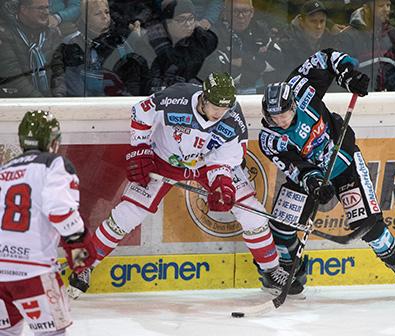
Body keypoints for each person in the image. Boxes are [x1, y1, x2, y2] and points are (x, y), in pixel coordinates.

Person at [66, 72, 302, 299]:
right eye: (216, 108)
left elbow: (225, 157)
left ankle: (270, 271)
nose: (221, 113)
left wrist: (222, 183)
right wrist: (140, 149)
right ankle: (83, 266)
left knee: (254, 215)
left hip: (205, 166)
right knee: (127, 215)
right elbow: (142, 111)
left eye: (225, 108)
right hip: (162, 161)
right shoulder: (176, 97)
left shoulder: (232, 117)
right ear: (203, 98)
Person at [257, 48, 395, 293]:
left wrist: (348, 76)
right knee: (281, 226)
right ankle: (291, 271)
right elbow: (295, 167)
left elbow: (326, 57)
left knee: (368, 224)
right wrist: (313, 182)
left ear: (293, 104)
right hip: (312, 176)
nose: (280, 121)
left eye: (284, 115)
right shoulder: (270, 139)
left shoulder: (301, 89)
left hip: (342, 161)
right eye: (273, 118)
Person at [0, 110, 97, 335]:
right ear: (53, 142)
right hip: (34, 273)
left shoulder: (4, 170)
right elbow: (61, 212)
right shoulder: (55, 164)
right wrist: (80, 258)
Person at [50, 0, 150, 97]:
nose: (105, 17)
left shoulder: (120, 43)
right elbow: (69, 84)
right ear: (85, 18)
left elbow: (133, 79)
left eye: (107, 12)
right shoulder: (71, 45)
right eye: (98, 14)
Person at [333, 0, 395, 91]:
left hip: (392, 98)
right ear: (366, 8)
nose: (386, 9)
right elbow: (341, 76)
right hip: (360, 98)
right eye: (381, 6)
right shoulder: (347, 37)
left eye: (388, 5)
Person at [147, 0, 218, 92]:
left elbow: (212, 74)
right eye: (181, 20)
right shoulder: (153, 43)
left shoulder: (204, 41)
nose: (188, 24)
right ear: (168, 23)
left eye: (190, 19)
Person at [0, 0, 62, 97]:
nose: (47, 12)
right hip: (15, 102)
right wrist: (40, 102)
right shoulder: (5, 35)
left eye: (47, 7)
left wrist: (58, 97)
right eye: (41, 8)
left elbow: (59, 70)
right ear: (24, 9)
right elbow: (14, 77)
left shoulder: (52, 33)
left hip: (48, 101)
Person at [277, 0, 337, 77]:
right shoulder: (287, 43)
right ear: (302, 22)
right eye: (313, 21)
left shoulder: (330, 40)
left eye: (322, 21)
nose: (319, 26)